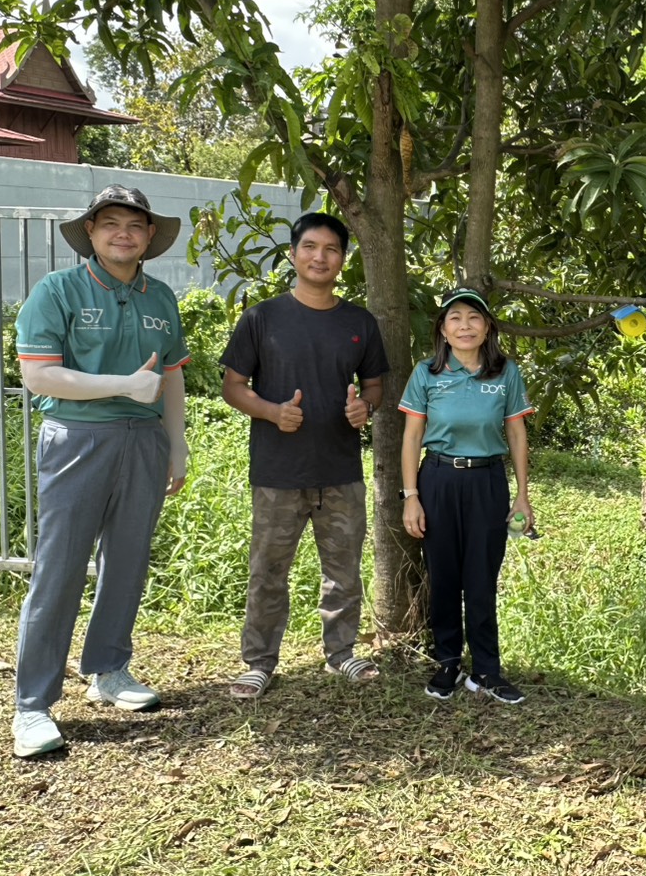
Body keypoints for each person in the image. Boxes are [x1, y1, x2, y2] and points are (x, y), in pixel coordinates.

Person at [11, 185, 191, 758]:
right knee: (59, 567)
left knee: (129, 561)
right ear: (90, 232)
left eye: (134, 226)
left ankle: (109, 671)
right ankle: (33, 705)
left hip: (145, 442)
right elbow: (40, 376)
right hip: (78, 438)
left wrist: (177, 444)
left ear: (148, 238)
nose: (123, 233)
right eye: (109, 223)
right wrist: (123, 386)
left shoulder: (160, 297)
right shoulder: (57, 291)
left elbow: (173, 378)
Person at [220, 212, 390, 698]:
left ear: (343, 260)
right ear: (293, 254)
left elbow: (375, 384)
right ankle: (259, 661)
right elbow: (233, 386)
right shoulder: (262, 318)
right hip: (278, 471)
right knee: (268, 570)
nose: (321, 257)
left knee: (343, 570)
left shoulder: (359, 322)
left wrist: (364, 407)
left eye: (332, 249)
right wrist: (272, 412)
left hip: (340, 469)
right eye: (311, 247)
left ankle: (341, 654)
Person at [399, 288, 535, 704]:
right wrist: (411, 496)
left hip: (488, 483)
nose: (464, 326)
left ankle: (487, 670)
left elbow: (516, 433)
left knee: (481, 576)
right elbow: (412, 437)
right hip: (438, 479)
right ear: (442, 329)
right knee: (443, 575)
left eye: (474, 318)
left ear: (487, 327)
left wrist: (523, 496)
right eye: (455, 318)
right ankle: (447, 664)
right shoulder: (426, 372)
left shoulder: (505, 372)